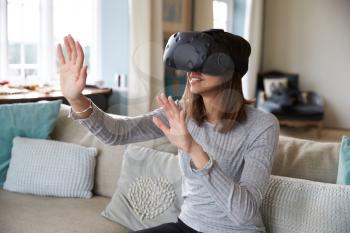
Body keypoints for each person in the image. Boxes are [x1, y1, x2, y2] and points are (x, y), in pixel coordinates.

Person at [56, 30, 280, 233]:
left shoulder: (263, 126)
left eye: (206, 61)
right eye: (193, 60)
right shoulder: (181, 112)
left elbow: (245, 213)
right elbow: (117, 133)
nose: (193, 69)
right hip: (187, 226)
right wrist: (76, 99)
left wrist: (193, 149)